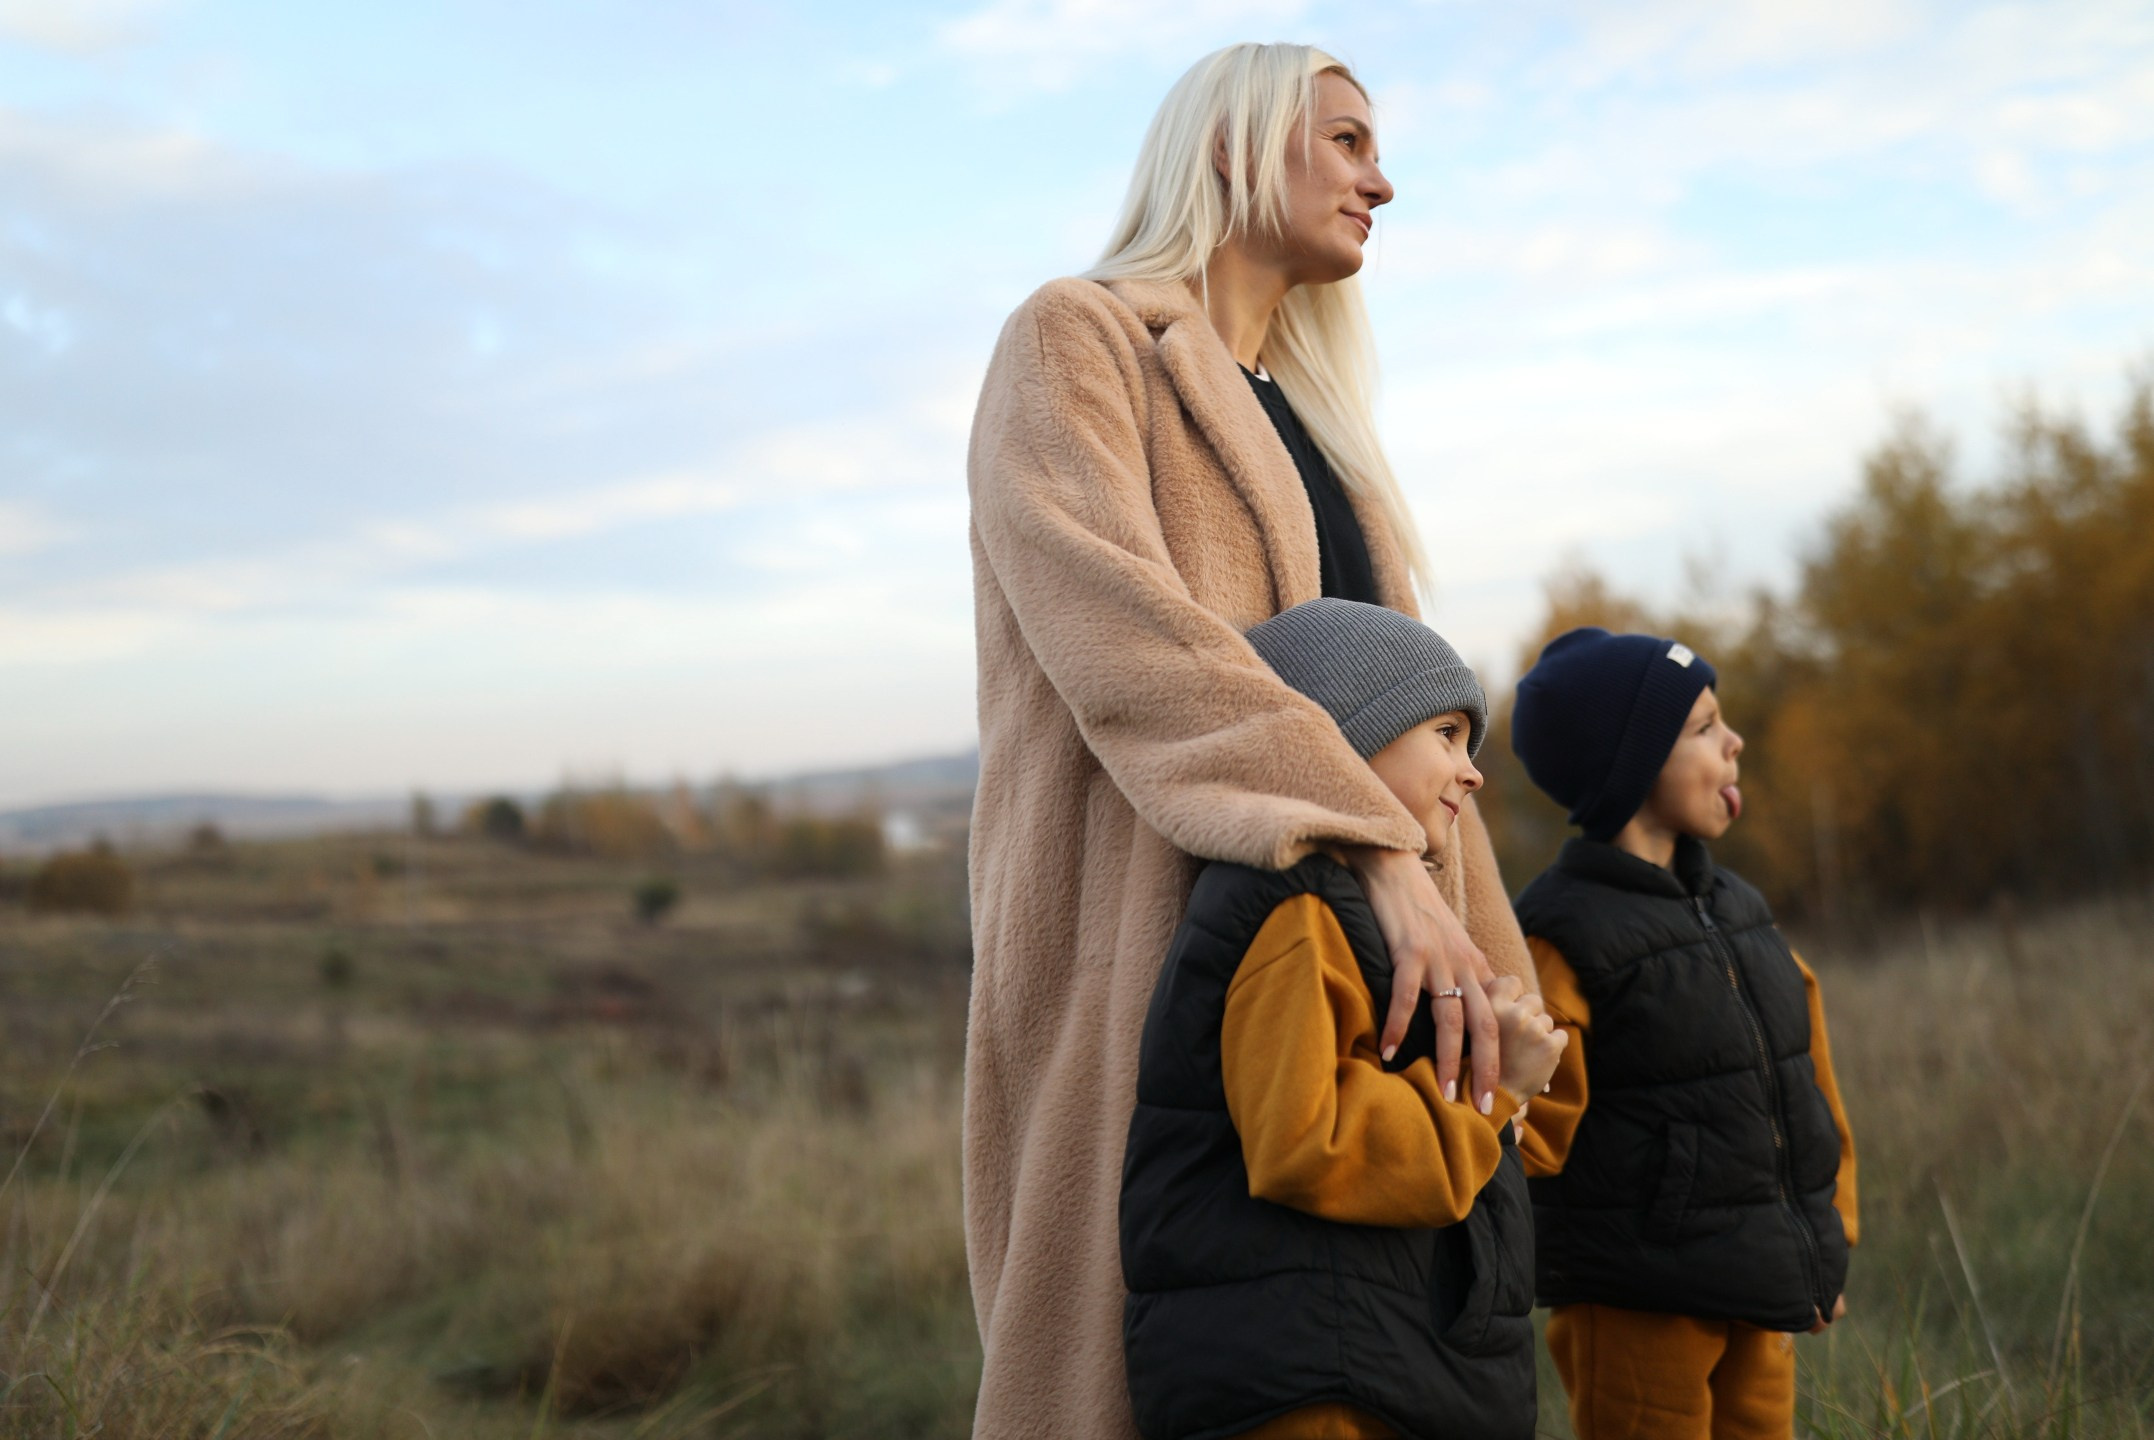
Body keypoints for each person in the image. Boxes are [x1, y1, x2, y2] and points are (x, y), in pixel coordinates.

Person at [965, 42, 1538, 1438]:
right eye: (1343, 141)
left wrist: (1489, 974)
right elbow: (1124, 633)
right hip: (1145, 942)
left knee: (1360, 1361)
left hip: (1358, 978)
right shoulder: (1075, 338)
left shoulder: (1327, 433)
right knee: (1139, 1366)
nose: (1379, 180)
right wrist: (1367, 840)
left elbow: (1408, 735)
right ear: (1230, 148)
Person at [1121, 599, 1567, 1440]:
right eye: (1444, 733)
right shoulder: (1295, 900)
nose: (1472, 773)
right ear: (1344, 741)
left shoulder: (1351, 907)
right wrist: (1496, 1090)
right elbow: (1309, 1140)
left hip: (1364, 1361)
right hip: (1312, 1384)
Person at [1506, 628, 1860, 1440]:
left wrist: (1823, 1242)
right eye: (1703, 728)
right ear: (1628, 766)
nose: (1734, 742)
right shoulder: (1562, 934)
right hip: (1639, 1298)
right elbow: (1531, 1132)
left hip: (1758, 1286)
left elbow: (1810, 1087)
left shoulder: (1741, 910)